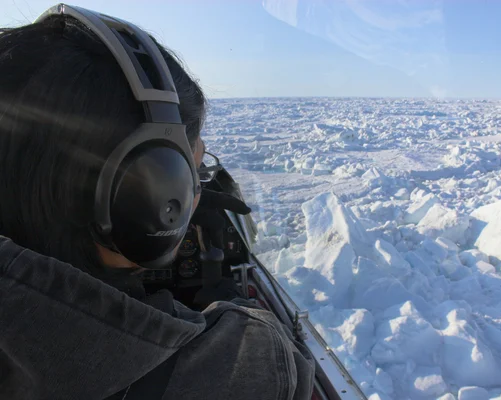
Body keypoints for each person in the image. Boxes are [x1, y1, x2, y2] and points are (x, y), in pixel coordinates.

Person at [0, 5, 314, 400]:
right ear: (155, 204)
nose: (193, 200)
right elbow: (286, 364)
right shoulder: (242, 369)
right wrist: (228, 299)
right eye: (190, 178)